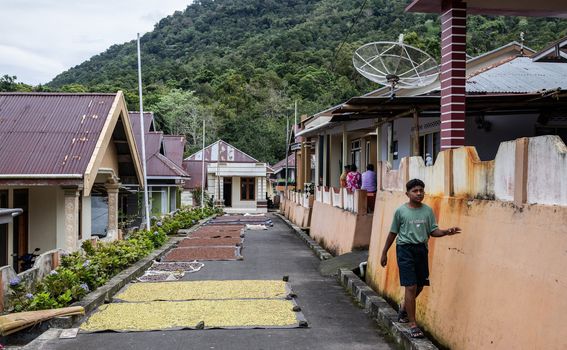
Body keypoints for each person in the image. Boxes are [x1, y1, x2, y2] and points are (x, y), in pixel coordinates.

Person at [380, 178, 461, 339]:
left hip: (421, 250)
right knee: (410, 286)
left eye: (421, 190)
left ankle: (404, 308)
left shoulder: (428, 211)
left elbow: (433, 232)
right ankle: (413, 325)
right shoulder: (401, 212)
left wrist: (446, 231)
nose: (418, 193)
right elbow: (392, 233)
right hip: (405, 250)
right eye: (415, 191)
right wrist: (384, 253)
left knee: (420, 285)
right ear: (407, 194)